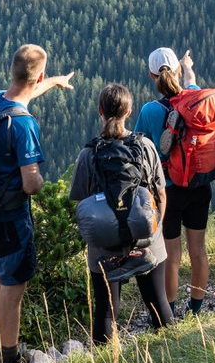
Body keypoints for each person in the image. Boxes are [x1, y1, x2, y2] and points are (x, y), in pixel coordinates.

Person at [0, 45, 74, 363]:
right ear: (39, 75)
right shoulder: (24, 125)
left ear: (11, 69)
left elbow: (26, 92)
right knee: (12, 289)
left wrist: (55, 82)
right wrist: (42, 180)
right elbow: (31, 184)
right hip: (11, 219)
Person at [69, 84, 175, 343]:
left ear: (100, 111)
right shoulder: (146, 146)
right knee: (158, 302)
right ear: (129, 112)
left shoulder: (89, 153)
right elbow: (161, 194)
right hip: (145, 236)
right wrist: (154, 229)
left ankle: (106, 362)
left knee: (106, 311)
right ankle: (172, 354)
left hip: (104, 243)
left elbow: (82, 204)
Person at [134, 47, 211, 317]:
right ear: (177, 71)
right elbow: (191, 82)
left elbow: (138, 147)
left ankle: (170, 310)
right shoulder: (195, 98)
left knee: (172, 255)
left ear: (151, 76)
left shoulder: (149, 111)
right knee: (198, 249)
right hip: (199, 185)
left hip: (167, 189)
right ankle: (196, 308)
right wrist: (188, 68)